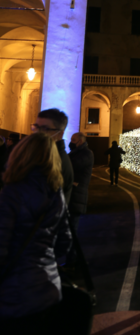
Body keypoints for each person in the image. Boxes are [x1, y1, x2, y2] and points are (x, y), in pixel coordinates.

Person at [0, 132, 72, 334]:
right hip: (48, 288)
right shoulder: (55, 191)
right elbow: (65, 242)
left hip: (14, 293)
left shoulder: (12, 192)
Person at [32, 109, 73, 203]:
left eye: (45, 129)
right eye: (36, 127)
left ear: (60, 134)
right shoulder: (40, 154)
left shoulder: (57, 161)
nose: (38, 132)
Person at [66, 132, 94, 267]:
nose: (71, 142)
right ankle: (72, 260)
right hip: (72, 195)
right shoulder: (75, 153)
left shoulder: (86, 154)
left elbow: (70, 166)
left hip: (76, 196)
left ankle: (73, 261)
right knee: (70, 230)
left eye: (73, 140)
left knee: (72, 230)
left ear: (81, 141)